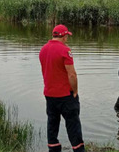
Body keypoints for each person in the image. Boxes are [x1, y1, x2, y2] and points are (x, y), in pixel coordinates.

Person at [39, 24, 85, 152]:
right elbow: (72, 74)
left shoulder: (43, 49)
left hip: (49, 95)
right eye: (67, 36)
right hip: (66, 96)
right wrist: (75, 91)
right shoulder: (65, 50)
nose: (67, 38)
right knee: (73, 125)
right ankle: (78, 150)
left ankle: (53, 149)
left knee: (52, 125)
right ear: (64, 36)